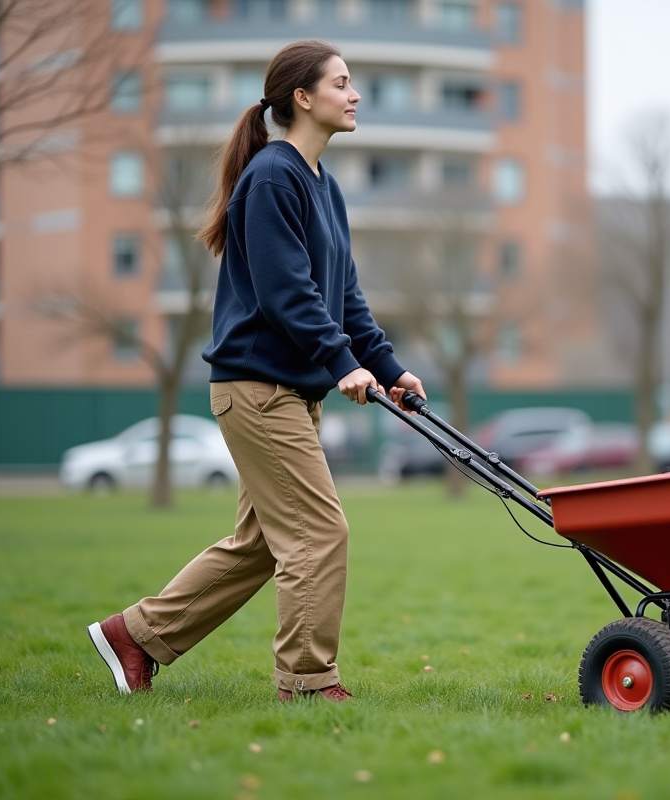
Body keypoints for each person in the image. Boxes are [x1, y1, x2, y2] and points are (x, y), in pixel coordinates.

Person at [87, 40, 424, 702]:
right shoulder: (273, 176)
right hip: (259, 391)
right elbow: (284, 292)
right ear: (303, 97)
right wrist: (340, 363)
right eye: (343, 84)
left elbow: (344, 296)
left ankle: (135, 636)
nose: (355, 96)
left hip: (286, 392)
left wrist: (386, 367)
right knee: (319, 534)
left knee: (264, 544)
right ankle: (305, 681)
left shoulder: (323, 187)